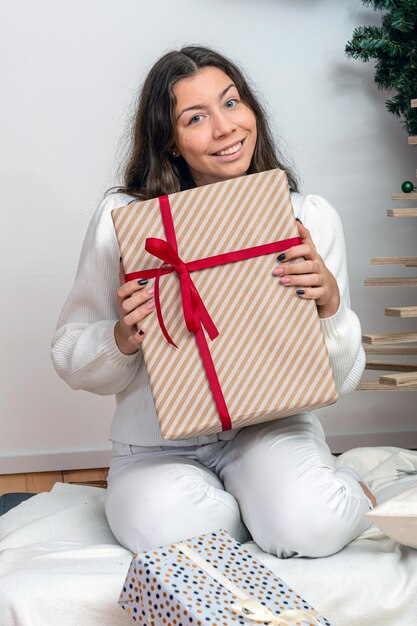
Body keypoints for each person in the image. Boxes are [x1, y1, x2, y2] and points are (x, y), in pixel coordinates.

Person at [51, 45, 376, 559]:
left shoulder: (306, 217)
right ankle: (252, 508)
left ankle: (340, 492)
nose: (225, 128)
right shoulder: (125, 223)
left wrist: (331, 307)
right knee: (169, 530)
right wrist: (122, 338)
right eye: (196, 117)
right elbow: (70, 356)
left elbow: (338, 382)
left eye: (231, 102)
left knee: (311, 526)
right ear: (171, 142)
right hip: (155, 447)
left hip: (272, 429)